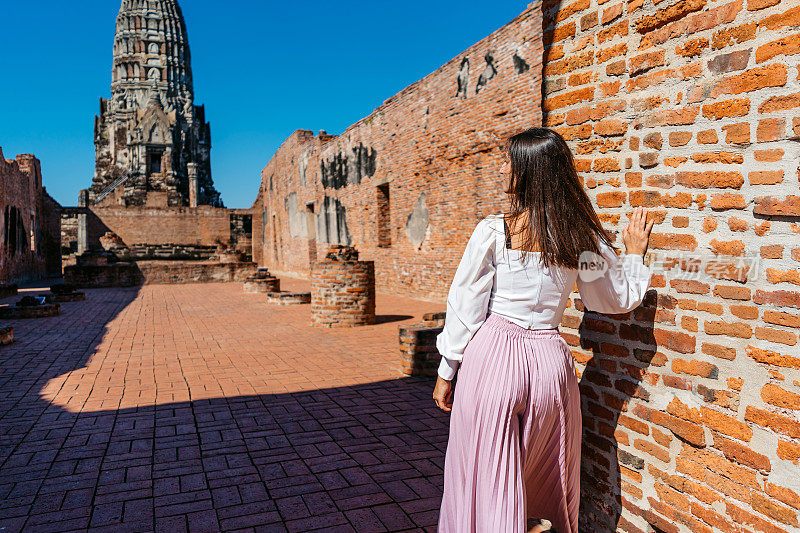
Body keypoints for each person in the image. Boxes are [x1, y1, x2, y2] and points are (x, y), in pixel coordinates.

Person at [433, 127, 654, 533]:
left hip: (492, 360)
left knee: (483, 475)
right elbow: (615, 298)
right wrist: (635, 255)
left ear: (529, 172)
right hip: (551, 366)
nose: (503, 167)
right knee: (541, 475)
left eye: (509, 161)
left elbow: (465, 306)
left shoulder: (493, 231)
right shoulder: (580, 236)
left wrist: (447, 370)